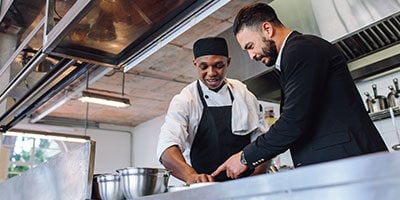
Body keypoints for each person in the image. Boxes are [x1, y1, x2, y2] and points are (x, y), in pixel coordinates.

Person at [212, 3, 388, 179]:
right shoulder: (292, 56)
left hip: (350, 166)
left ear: (267, 29)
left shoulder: (302, 50)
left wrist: (244, 157)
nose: (252, 56)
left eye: (250, 46)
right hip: (340, 168)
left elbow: (293, 122)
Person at [156, 37, 268, 184]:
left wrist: (257, 175)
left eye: (218, 65)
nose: (211, 73)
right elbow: (167, 147)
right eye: (204, 67)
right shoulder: (186, 99)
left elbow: (262, 140)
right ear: (195, 64)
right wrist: (191, 176)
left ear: (228, 62)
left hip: (246, 185)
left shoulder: (243, 94)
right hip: (205, 187)